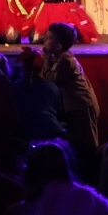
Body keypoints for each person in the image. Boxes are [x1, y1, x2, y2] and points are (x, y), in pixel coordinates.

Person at [41, 23, 100, 159]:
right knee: (78, 143)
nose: (45, 40)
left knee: (89, 144)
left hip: (83, 106)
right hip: (75, 106)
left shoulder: (66, 61)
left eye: (49, 38)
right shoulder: (59, 58)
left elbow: (51, 81)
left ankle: (94, 169)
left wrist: (46, 60)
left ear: (58, 46)